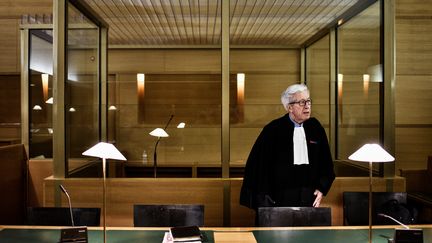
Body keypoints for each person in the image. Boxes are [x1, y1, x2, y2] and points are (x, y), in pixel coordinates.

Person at [240, 83, 335, 212]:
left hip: (308, 196)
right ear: (290, 107)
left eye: (308, 101)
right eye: (302, 102)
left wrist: (322, 188)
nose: (307, 106)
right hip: (279, 197)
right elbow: (258, 166)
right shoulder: (273, 130)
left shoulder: (316, 128)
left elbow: (326, 163)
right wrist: (265, 199)